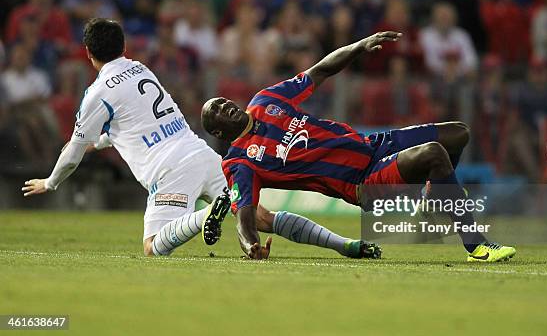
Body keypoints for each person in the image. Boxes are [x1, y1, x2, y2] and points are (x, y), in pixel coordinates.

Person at [21, 18, 376, 261]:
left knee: (152, 248)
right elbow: (126, 128)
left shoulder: (98, 93)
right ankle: (346, 245)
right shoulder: (140, 69)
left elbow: (73, 150)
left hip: (168, 170)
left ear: (88, 53)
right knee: (261, 218)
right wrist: (102, 141)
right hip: (201, 154)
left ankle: (208, 213)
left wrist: (52, 182)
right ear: (123, 45)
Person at [202, 31, 517, 261]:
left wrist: (360, 46)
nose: (223, 105)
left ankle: (434, 197)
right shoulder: (239, 161)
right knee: (435, 153)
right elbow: (244, 213)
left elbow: (321, 70)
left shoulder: (266, 100)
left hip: (372, 146)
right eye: (215, 110)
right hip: (361, 183)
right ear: (218, 130)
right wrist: (250, 245)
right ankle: (476, 245)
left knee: (457, 134)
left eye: (221, 101)